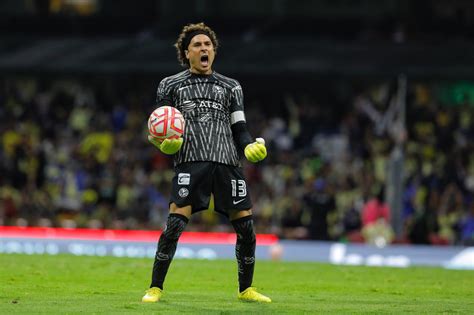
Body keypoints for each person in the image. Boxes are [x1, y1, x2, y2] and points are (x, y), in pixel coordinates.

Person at [142, 22, 271, 303]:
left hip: (227, 163)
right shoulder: (170, 85)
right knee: (175, 225)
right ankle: (155, 288)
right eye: (198, 45)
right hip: (191, 162)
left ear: (214, 51)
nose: (204, 48)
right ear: (187, 53)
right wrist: (165, 144)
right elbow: (156, 127)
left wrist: (250, 146)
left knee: (247, 229)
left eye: (208, 45)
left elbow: (240, 127)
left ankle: (246, 289)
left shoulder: (231, 87)